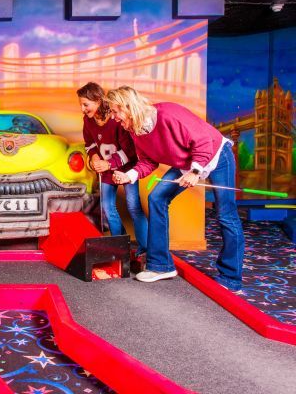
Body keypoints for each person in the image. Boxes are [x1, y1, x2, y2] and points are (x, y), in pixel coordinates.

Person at [106, 86, 244, 290]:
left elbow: (203, 141)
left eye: (115, 111)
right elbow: (148, 161)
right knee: (157, 198)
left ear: (127, 106)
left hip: (217, 155)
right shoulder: (135, 131)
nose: (113, 117)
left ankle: (231, 278)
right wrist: (129, 175)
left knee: (226, 215)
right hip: (186, 162)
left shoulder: (168, 114)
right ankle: (161, 265)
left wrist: (195, 171)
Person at [77, 82, 148, 258]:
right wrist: (94, 156)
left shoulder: (117, 119)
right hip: (106, 170)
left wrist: (109, 163)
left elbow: (130, 151)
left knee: (133, 206)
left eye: (85, 104)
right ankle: (120, 246)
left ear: (98, 100)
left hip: (127, 169)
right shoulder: (88, 120)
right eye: (81, 105)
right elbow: (89, 143)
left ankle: (146, 248)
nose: (82, 109)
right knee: (107, 207)